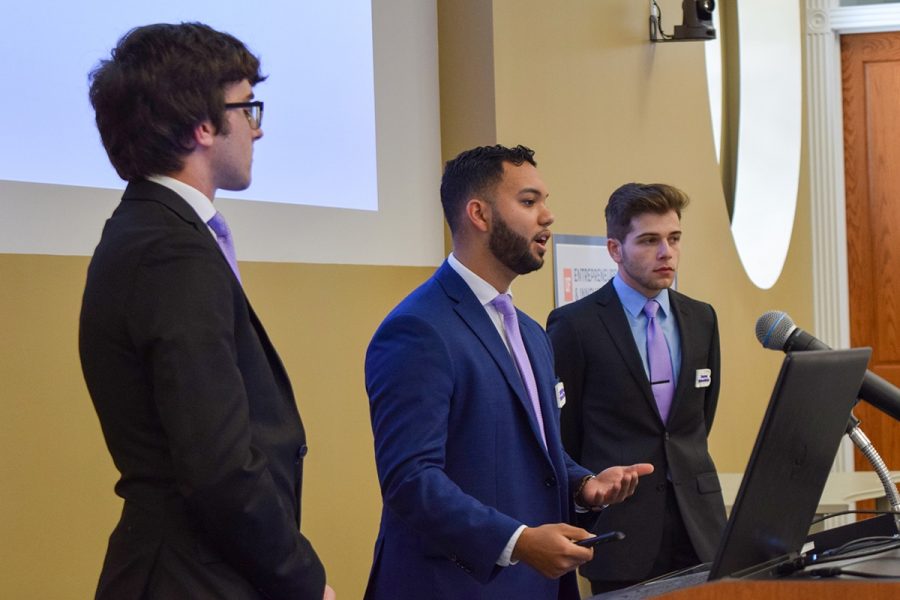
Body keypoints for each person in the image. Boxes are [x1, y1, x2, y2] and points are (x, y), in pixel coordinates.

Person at [79, 23, 332, 600]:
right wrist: (303, 579)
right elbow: (218, 465)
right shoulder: (171, 249)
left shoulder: (153, 231)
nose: (257, 129)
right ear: (203, 125)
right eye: (247, 108)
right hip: (191, 576)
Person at [363, 144, 653, 599]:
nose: (548, 216)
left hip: (537, 586)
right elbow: (410, 480)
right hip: (456, 589)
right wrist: (516, 542)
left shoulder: (531, 332)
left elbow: (532, 451)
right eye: (529, 201)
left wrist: (583, 485)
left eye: (544, 201)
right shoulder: (418, 329)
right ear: (479, 214)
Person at [546, 183, 727, 594]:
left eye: (674, 239)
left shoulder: (702, 318)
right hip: (621, 532)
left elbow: (697, 419)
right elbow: (564, 434)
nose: (667, 253)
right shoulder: (575, 325)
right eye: (649, 241)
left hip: (701, 528)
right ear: (615, 249)